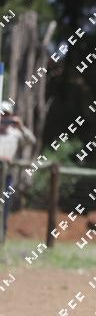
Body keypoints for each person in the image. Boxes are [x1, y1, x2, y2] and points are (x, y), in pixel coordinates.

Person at [0, 100, 36, 234]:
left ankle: (2, 234)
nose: (4, 117)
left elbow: (31, 140)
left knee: (5, 204)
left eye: (7, 114)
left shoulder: (15, 133)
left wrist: (21, 127)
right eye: (2, 114)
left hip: (7, 176)